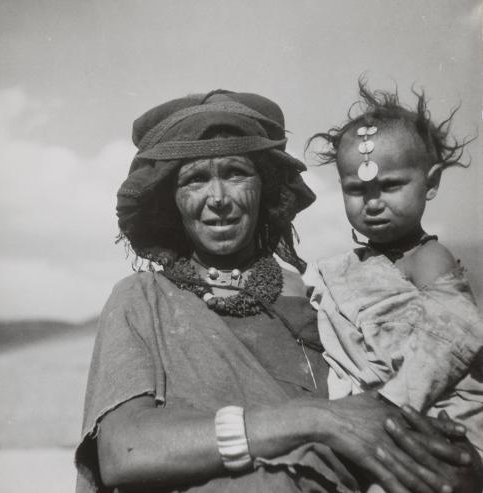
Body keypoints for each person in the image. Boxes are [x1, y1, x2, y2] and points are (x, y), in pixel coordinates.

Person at [75, 89, 483, 493]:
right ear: (171, 202)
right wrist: (316, 419)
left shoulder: (328, 301)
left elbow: (422, 394)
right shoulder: (141, 300)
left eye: (236, 173)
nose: (218, 198)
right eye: (196, 179)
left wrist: (459, 469)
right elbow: (123, 450)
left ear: (265, 187)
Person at [306, 82, 483, 468]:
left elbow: (454, 333)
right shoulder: (343, 268)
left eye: (390, 186)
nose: (373, 203)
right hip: (374, 417)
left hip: (433, 413)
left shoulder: (429, 257)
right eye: (356, 190)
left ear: (431, 183)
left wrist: (390, 404)